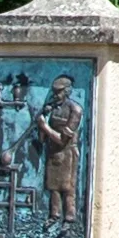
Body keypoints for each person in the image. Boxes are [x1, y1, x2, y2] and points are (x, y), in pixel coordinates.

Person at [36, 74, 82, 223]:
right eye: (54, 92)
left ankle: (69, 218)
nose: (56, 95)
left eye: (59, 91)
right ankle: (54, 215)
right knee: (53, 186)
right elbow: (42, 139)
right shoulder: (53, 109)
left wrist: (45, 127)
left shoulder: (75, 110)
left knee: (68, 187)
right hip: (53, 152)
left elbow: (63, 140)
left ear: (68, 91)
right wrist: (42, 120)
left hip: (68, 152)